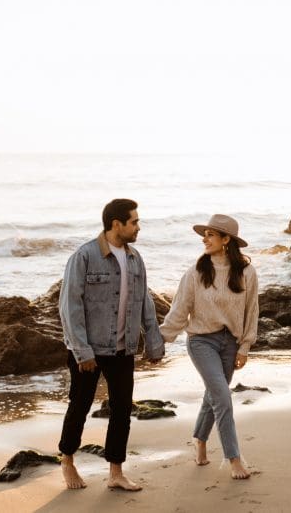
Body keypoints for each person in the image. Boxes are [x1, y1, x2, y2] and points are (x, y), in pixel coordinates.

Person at [57, 198, 165, 491]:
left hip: (122, 349)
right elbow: (70, 307)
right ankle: (67, 459)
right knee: (80, 406)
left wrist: (153, 341)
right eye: (134, 222)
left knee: (122, 410)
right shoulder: (84, 256)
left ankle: (116, 472)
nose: (138, 227)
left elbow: (145, 301)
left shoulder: (135, 258)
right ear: (117, 224)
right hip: (90, 350)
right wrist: (82, 350)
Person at [160, 214, 259, 479]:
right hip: (201, 341)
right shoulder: (195, 272)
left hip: (231, 343)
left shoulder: (247, 272)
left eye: (211, 235)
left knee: (214, 394)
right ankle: (234, 458)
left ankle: (199, 440)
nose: (205, 239)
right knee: (223, 397)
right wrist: (160, 341)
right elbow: (179, 310)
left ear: (226, 240)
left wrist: (244, 347)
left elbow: (252, 311)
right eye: (204, 235)